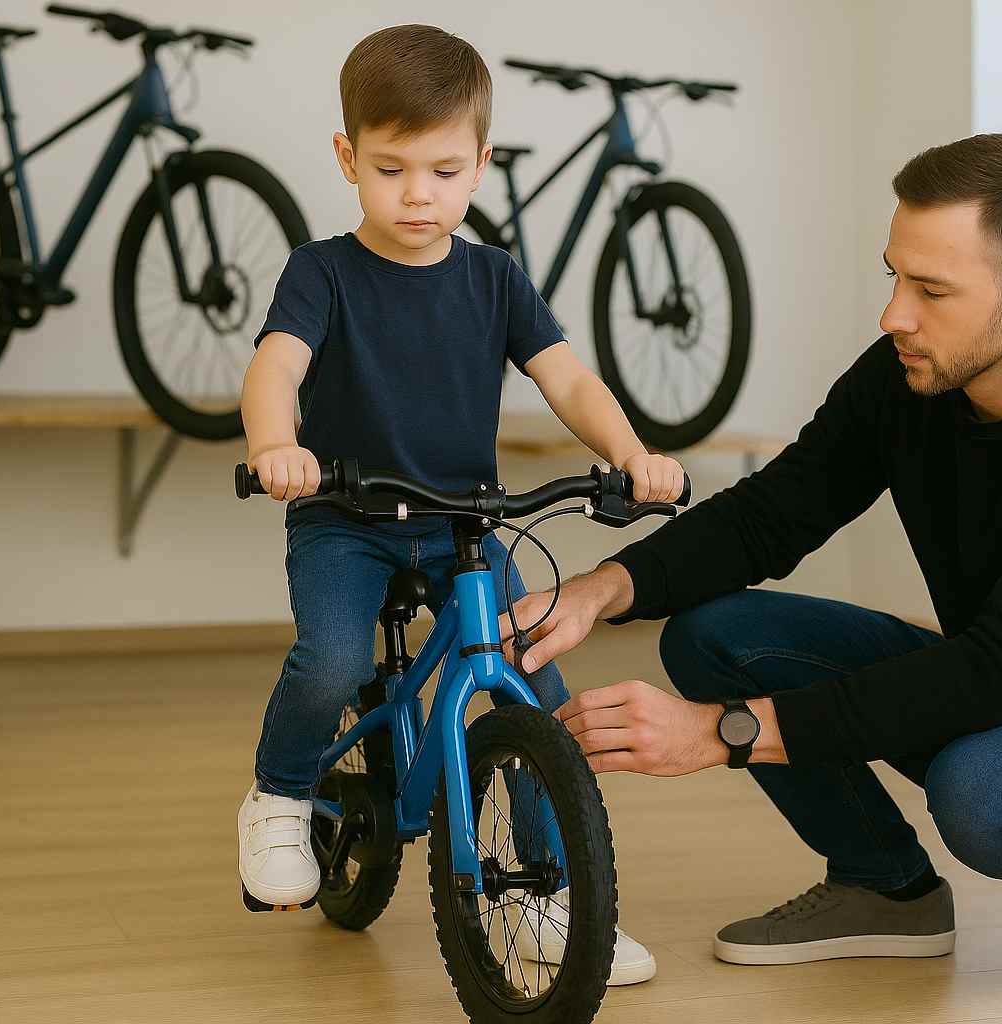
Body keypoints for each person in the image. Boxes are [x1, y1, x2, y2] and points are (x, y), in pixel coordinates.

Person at [500, 133, 1002, 996]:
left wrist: (721, 734)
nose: (893, 314)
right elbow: (771, 514)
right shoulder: (909, 376)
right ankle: (884, 889)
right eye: (894, 276)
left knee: (982, 794)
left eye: (931, 290)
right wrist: (601, 589)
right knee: (721, 636)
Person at [235, 24, 681, 987]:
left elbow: (568, 379)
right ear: (348, 157)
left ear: (481, 162)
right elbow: (277, 366)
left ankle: (555, 896)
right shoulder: (323, 272)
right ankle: (278, 794)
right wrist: (278, 444)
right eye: (390, 168)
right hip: (346, 517)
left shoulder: (494, 278)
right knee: (334, 659)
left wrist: (631, 453)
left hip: (463, 522)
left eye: (443, 169)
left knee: (533, 673)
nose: (417, 195)